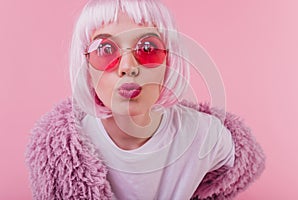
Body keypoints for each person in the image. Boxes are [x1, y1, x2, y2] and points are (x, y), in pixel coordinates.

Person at [26, 0, 265, 199]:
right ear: (86, 66)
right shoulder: (66, 152)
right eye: (106, 49)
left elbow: (232, 172)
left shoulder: (206, 136)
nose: (128, 67)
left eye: (148, 48)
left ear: (169, 60)